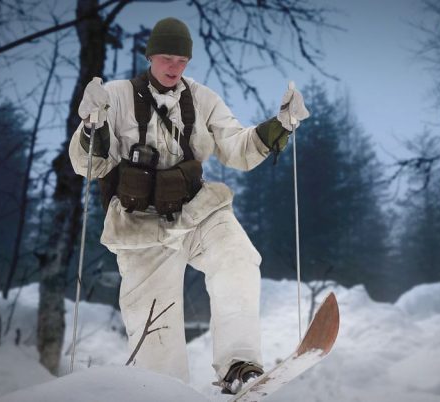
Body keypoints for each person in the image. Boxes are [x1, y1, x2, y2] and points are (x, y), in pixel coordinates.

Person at [69, 17, 309, 393]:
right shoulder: (114, 96)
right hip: (139, 227)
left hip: (197, 210)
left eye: (181, 60)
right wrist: (90, 125)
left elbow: (239, 150)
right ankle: (166, 393)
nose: (173, 67)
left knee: (238, 259)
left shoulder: (203, 99)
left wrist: (282, 124)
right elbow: (89, 165)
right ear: (150, 56)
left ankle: (239, 366)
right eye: (166, 58)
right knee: (156, 339)